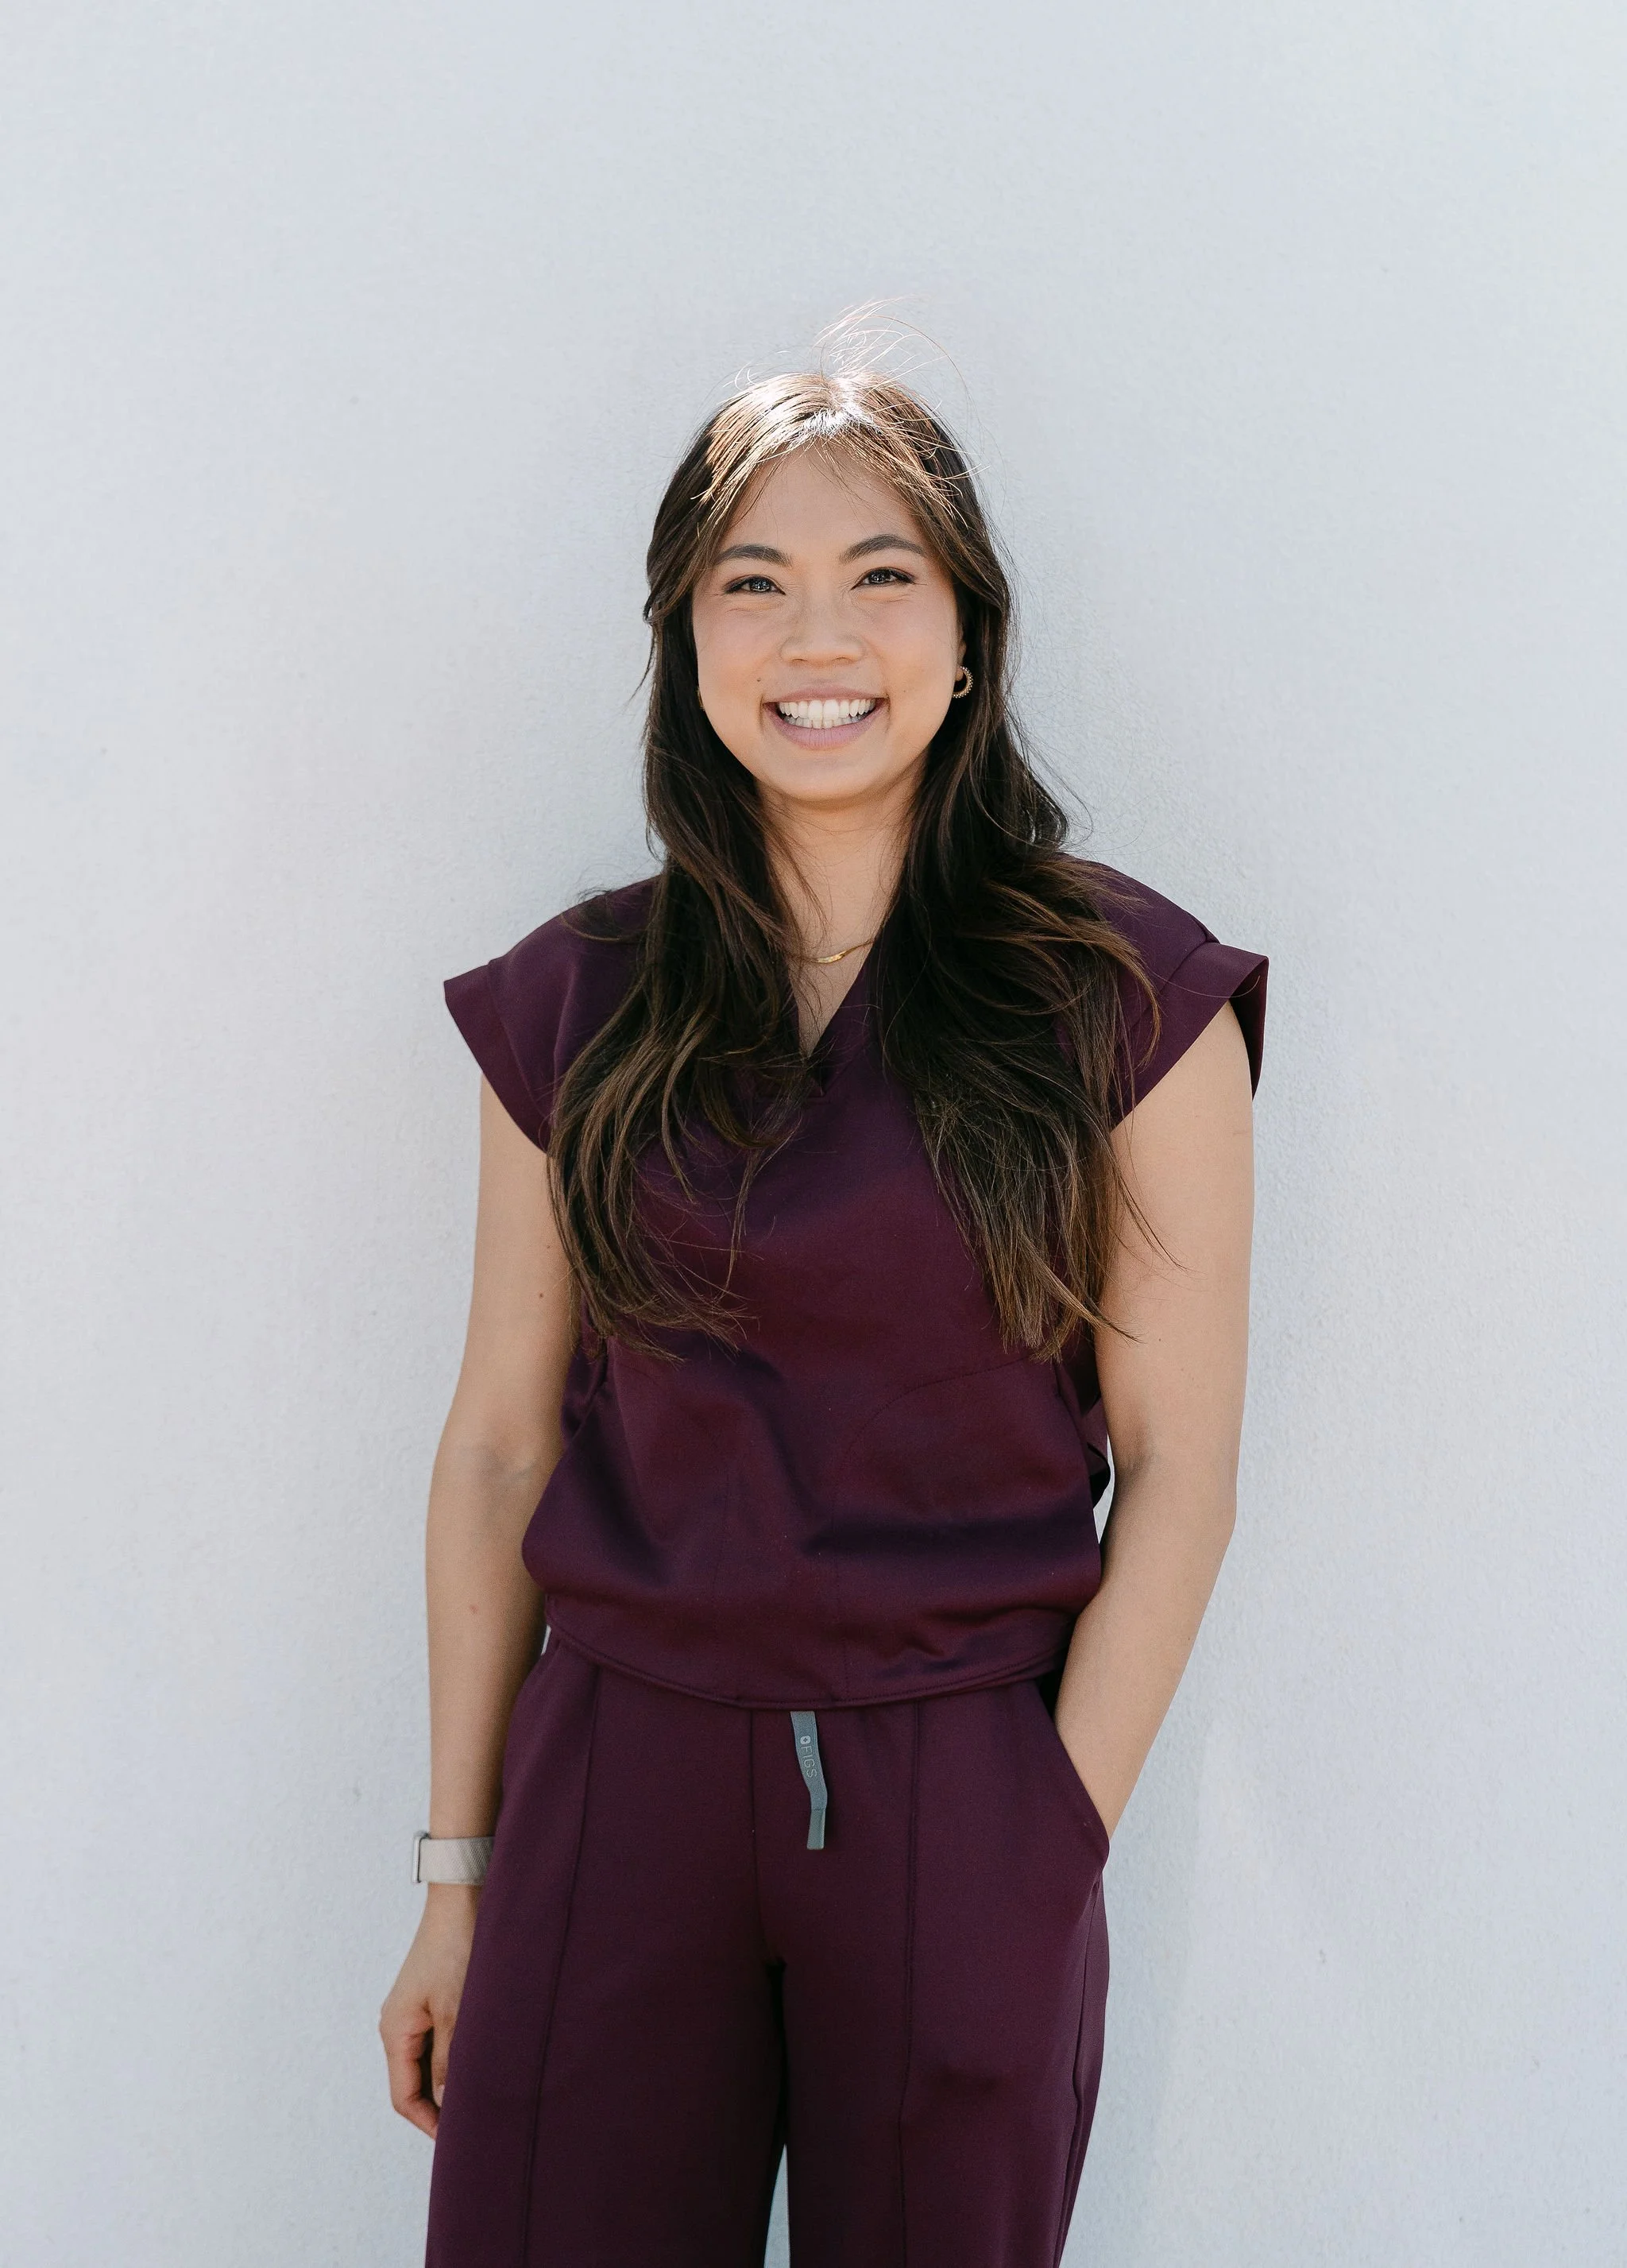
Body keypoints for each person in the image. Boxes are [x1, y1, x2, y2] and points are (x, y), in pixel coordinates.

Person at [379, 368, 1267, 2268]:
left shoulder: (1123, 1002)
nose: (817, 639)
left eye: (881, 577)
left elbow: (1180, 1459)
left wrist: (1050, 1829)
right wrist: (458, 1876)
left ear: (965, 638)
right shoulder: (575, 1003)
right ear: (683, 635)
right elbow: (501, 1442)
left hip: (958, 1774)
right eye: (750, 584)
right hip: (612, 1775)